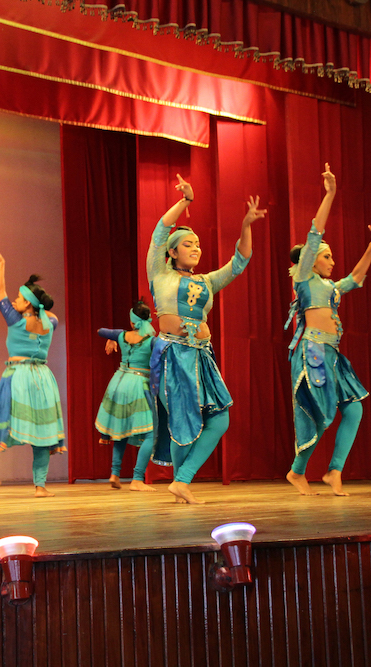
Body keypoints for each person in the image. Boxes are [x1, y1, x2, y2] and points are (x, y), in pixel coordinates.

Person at [148, 176, 266, 504]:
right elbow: (160, 230)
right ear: (171, 252)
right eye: (189, 243)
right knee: (181, 421)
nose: (196, 247)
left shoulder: (206, 281)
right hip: (173, 352)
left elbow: (239, 263)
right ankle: (181, 483)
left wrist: (245, 225)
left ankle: (181, 482)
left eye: (198, 244)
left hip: (202, 355)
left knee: (220, 418)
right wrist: (185, 202)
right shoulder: (160, 272)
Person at [284, 164, 371, 497]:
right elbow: (315, 232)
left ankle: (334, 471)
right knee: (319, 414)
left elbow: (356, 278)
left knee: (354, 408)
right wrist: (330, 193)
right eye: (326, 256)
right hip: (310, 351)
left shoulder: (330, 287)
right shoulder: (303, 278)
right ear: (311, 260)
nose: (331, 260)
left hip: (332, 354)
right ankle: (297, 472)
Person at [0, 244, 65, 497]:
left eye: (20, 298)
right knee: (42, 432)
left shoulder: (14, 320)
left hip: (18, 376)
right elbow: (47, 313)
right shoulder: (51, 322)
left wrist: (1, 264)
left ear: (28, 304)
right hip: (43, 378)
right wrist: (38, 308)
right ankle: (40, 486)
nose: (14, 300)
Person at [95, 299, 157, 492]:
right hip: (138, 384)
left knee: (120, 430)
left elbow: (101, 331)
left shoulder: (122, 335)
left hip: (118, 382)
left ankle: (115, 473)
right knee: (150, 433)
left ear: (132, 321)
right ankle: (138, 478)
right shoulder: (152, 339)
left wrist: (113, 337)